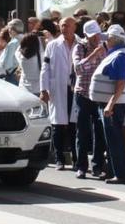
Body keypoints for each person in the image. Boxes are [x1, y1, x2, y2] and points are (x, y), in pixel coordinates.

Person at [90, 25, 125, 184]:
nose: (105, 41)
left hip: (113, 104)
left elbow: (121, 83)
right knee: (112, 140)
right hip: (111, 103)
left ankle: (121, 175)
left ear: (114, 39)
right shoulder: (117, 53)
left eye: (107, 38)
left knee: (114, 140)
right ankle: (114, 172)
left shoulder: (120, 55)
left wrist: (110, 105)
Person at [40, 17, 77, 170]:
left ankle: (77, 159)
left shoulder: (81, 44)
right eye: (62, 25)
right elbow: (45, 68)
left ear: (75, 27)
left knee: (75, 126)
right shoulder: (53, 45)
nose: (64, 28)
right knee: (58, 126)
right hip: (58, 89)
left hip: (75, 89)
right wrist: (44, 89)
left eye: (67, 25)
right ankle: (59, 159)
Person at [72, 20, 107, 179]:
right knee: (83, 131)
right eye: (92, 36)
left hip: (99, 94)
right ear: (86, 35)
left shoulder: (105, 45)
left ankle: (98, 166)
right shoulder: (80, 47)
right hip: (83, 94)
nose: (95, 38)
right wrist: (93, 55)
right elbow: (78, 69)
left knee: (99, 131)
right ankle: (81, 166)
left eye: (97, 35)